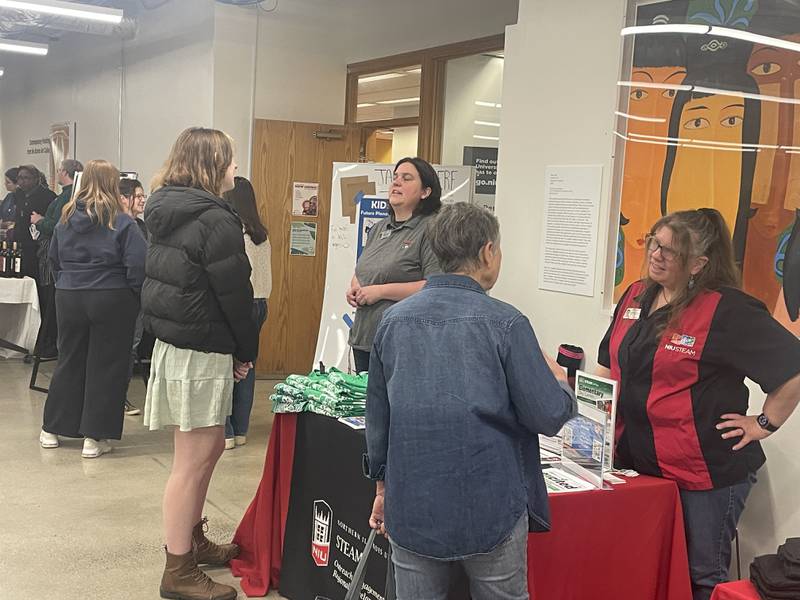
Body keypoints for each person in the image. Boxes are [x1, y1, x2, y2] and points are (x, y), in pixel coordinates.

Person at [365, 202, 578, 600]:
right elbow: (548, 415)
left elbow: (378, 418)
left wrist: (381, 488)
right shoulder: (507, 323)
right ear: (487, 252)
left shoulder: (393, 321)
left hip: (412, 501)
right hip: (490, 504)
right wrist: (562, 383)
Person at [597, 208, 800, 600]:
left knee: (701, 575)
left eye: (669, 250)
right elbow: (609, 362)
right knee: (643, 563)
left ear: (698, 264)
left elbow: (792, 367)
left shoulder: (728, 310)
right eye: (654, 242)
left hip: (702, 472)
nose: (655, 254)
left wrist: (763, 423)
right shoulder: (636, 294)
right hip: (636, 465)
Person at [141, 127, 257, 600]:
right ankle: (178, 569)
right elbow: (236, 295)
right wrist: (246, 350)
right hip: (202, 346)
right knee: (191, 462)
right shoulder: (215, 220)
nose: (236, 168)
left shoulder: (166, 210)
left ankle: (191, 541)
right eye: (230, 159)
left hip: (182, 343)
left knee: (207, 449)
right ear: (212, 165)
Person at [39, 159, 146, 458]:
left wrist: (68, 283)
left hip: (69, 295)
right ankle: (94, 437)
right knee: (106, 365)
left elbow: (53, 258)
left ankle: (51, 429)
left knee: (69, 360)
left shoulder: (65, 218)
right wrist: (133, 295)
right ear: (113, 184)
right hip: (111, 296)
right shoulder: (122, 221)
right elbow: (138, 265)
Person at [347, 157, 442, 373]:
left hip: (403, 342)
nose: (396, 182)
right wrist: (355, 288)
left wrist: (381, 292)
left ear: (425, 192)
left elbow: (434, 287)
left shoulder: (432, 230)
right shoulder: (379, 228)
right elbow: (363, 270)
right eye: (395, 177)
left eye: (406, 178)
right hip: (364, 337)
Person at [223, 176, 271, 450]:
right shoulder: (261, 234)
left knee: (228, 365)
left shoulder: (233, 233)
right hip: (261, 303)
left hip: (241, 303)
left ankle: (226, 431)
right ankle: (240, 429)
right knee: (248, 365)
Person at [31, 159, 83, 358]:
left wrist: (40, 221)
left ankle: (50, 343)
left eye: (59, 170)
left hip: (53, 252)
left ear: (65, 173)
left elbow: (58, 226)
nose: (58, 172)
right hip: (54, 251)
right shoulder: (66, 196)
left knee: (50, 299)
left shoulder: (68, 198)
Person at [119, 177, 148, 416]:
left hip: (140, 296)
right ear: (124, 199)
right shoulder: (120, 226)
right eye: (137, 196)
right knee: (125, 348)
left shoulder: (142, 226)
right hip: (125, 296)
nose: (142, 201)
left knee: (132, 348)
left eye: (143, 196)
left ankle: (121, 395)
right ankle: (118, 397)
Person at [14, 164, 56, 280]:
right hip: (20, 243)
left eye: (26, 178)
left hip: (38, 246)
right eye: (19, 178)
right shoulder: (18, 194)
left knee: (36, 277)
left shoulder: (48, 196)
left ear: (36, 179)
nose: (21, 181)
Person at [1, 167, 19, 242]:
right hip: (4, 234)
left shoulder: (24, 199)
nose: (5, 184)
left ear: (17, 184)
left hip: (16, 235)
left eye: (8, 182)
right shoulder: (9, 197)